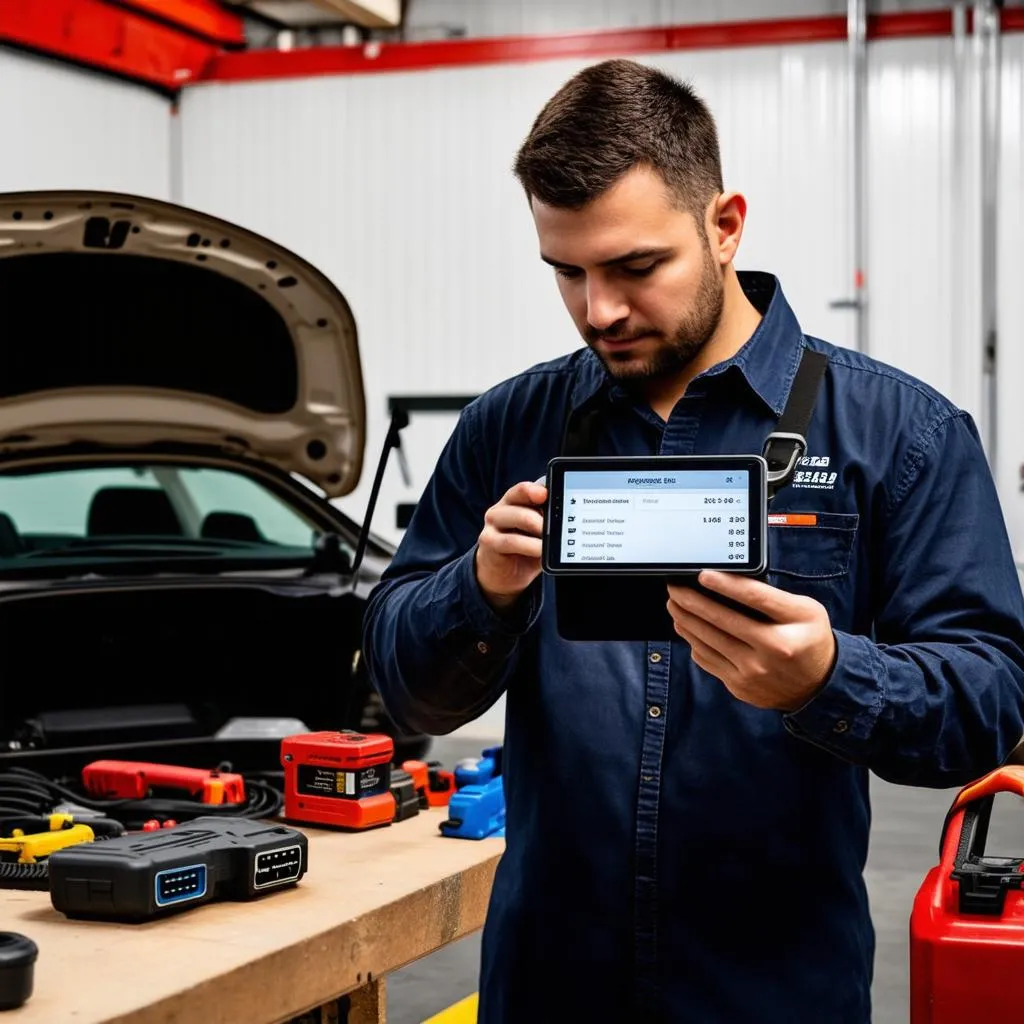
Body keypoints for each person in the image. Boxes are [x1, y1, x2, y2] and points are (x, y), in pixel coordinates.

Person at [361, 58, 1024, 1023]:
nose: (601, 312)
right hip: (549, 988)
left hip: (773, 991)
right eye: (567, 272)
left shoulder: (900, 435)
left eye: (635, 268)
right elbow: (402, 682)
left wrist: (829, 677)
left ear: (724, 225)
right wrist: (482, 590)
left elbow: (992, 701)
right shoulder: (510, 428)